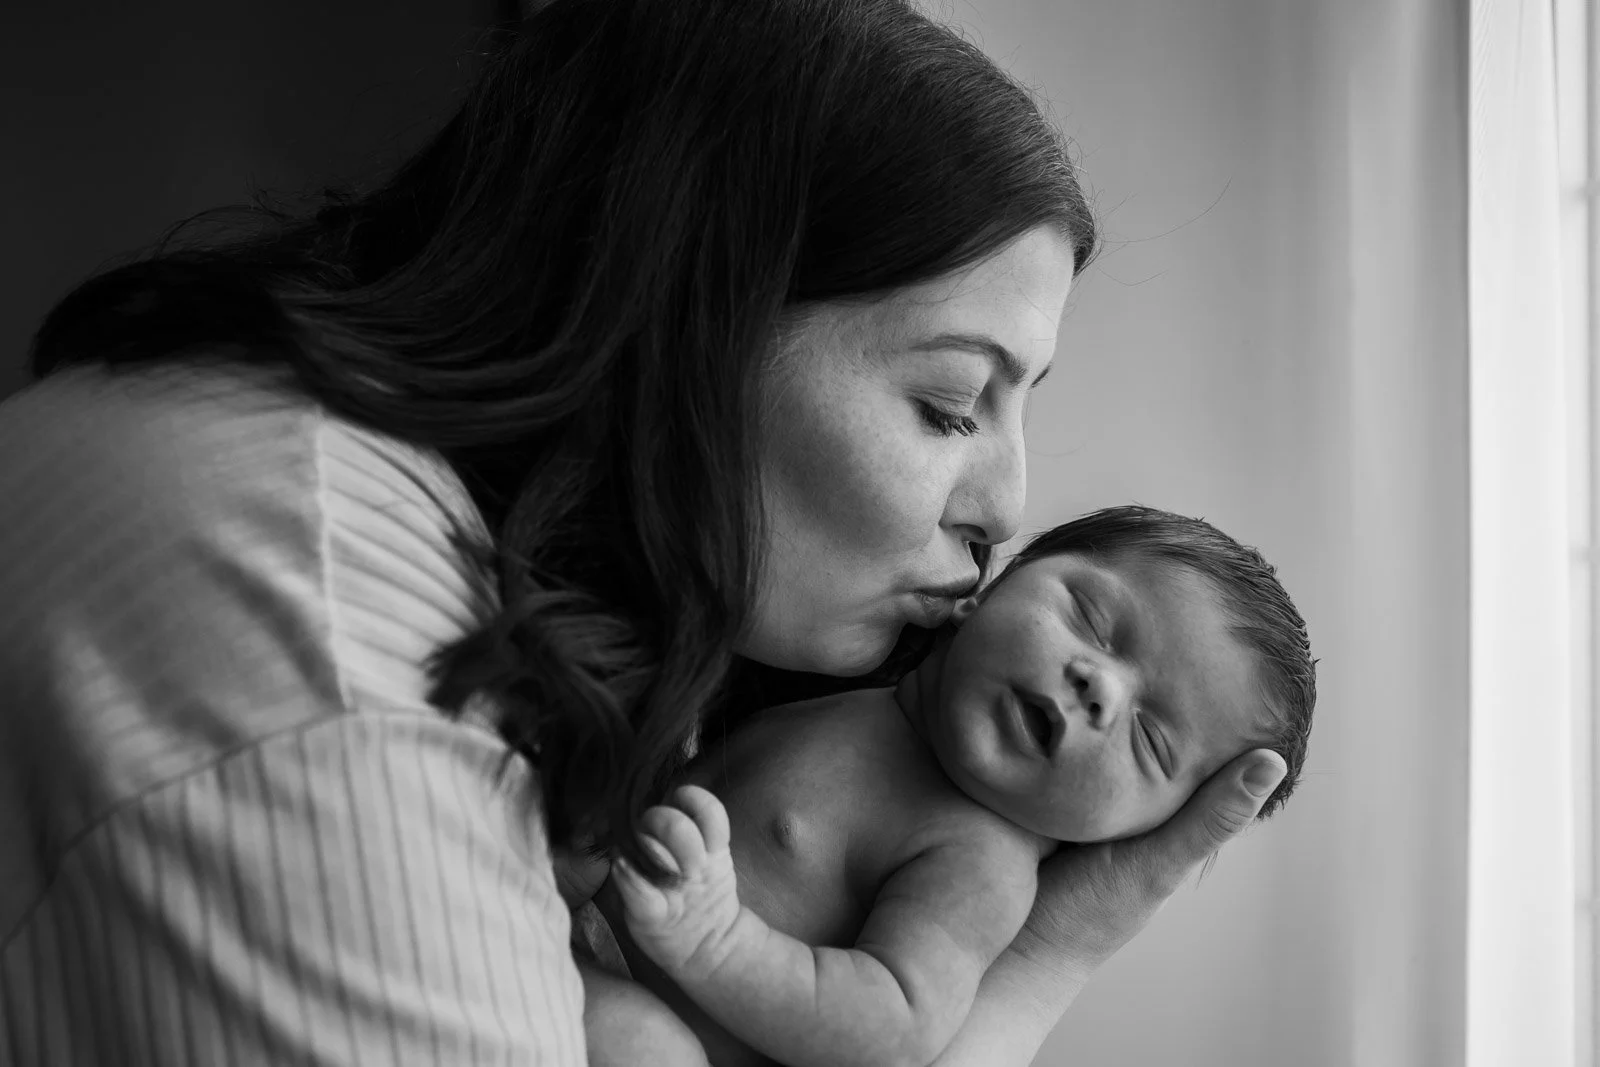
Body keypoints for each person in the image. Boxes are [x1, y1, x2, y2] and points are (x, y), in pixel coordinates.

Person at [0, 0, 1289, 1064]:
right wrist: (1042, 973)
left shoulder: (301, 469)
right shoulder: (338, 672)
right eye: (951, 404)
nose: (1006, 511)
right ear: (689, 309)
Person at [592, 505, 1315, 1067]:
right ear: (986, 591)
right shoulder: (848, 680)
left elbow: (895, 1024)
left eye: (1150, 738)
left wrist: (718, 942)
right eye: (1092, 620)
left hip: (655, 1014)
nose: (1101, 687)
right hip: (592, 920)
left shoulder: (976, 859)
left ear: (1135, 834)